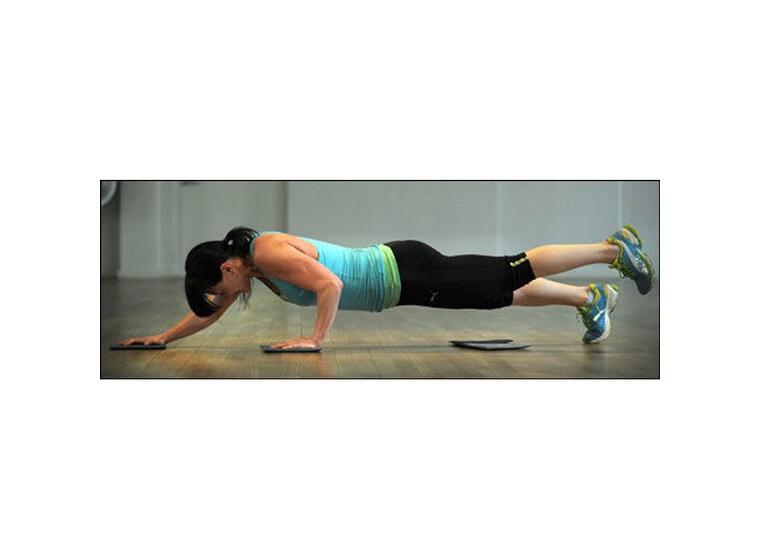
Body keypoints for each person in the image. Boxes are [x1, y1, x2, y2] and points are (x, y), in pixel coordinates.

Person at [118, 225, 655, 350]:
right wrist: (163, 337)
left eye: (218, 286)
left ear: (227, 266)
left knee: (507, 272)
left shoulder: (265, 253)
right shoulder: (249, 269)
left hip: (405, 272)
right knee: (497, 293)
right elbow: (211, 312)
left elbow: (330, 285)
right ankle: (590, 300)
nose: (222, 295)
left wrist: (314, 340)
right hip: (403, 280)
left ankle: (612, 251)